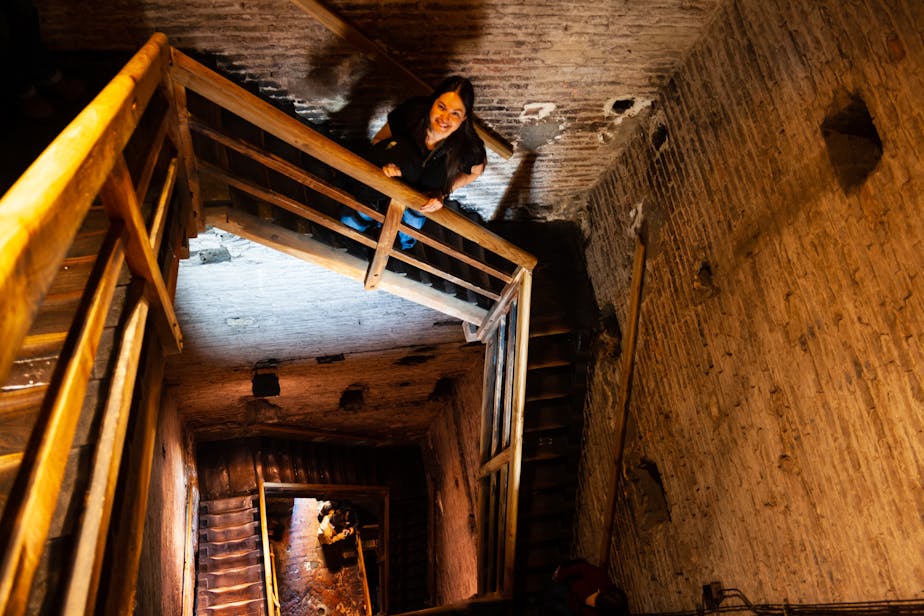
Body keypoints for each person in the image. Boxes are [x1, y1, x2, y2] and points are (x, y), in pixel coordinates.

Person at [341, 76, 487, 250]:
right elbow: (380, 140)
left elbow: (477, 170)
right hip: (383, 190)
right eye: (441, 107)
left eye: (455, 113)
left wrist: (445, 191)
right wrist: (387, 160)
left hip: (417, 204)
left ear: (464, 119)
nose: (445, 118)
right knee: (351, 226)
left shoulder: (467, 145)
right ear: (433, 102)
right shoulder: (412, 114)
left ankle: (400, 245)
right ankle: (351, 234)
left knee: (402, 240)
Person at [544, 559, 630, 616]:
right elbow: (581, 568)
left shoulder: (601, 611)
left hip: (571, 608)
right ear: (601, 590)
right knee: (553, 592)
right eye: (595, 598)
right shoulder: (600, 579)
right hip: (569, 589)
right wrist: (561, 574)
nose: (592, 602)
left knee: (554, 605)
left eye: (595, 604)